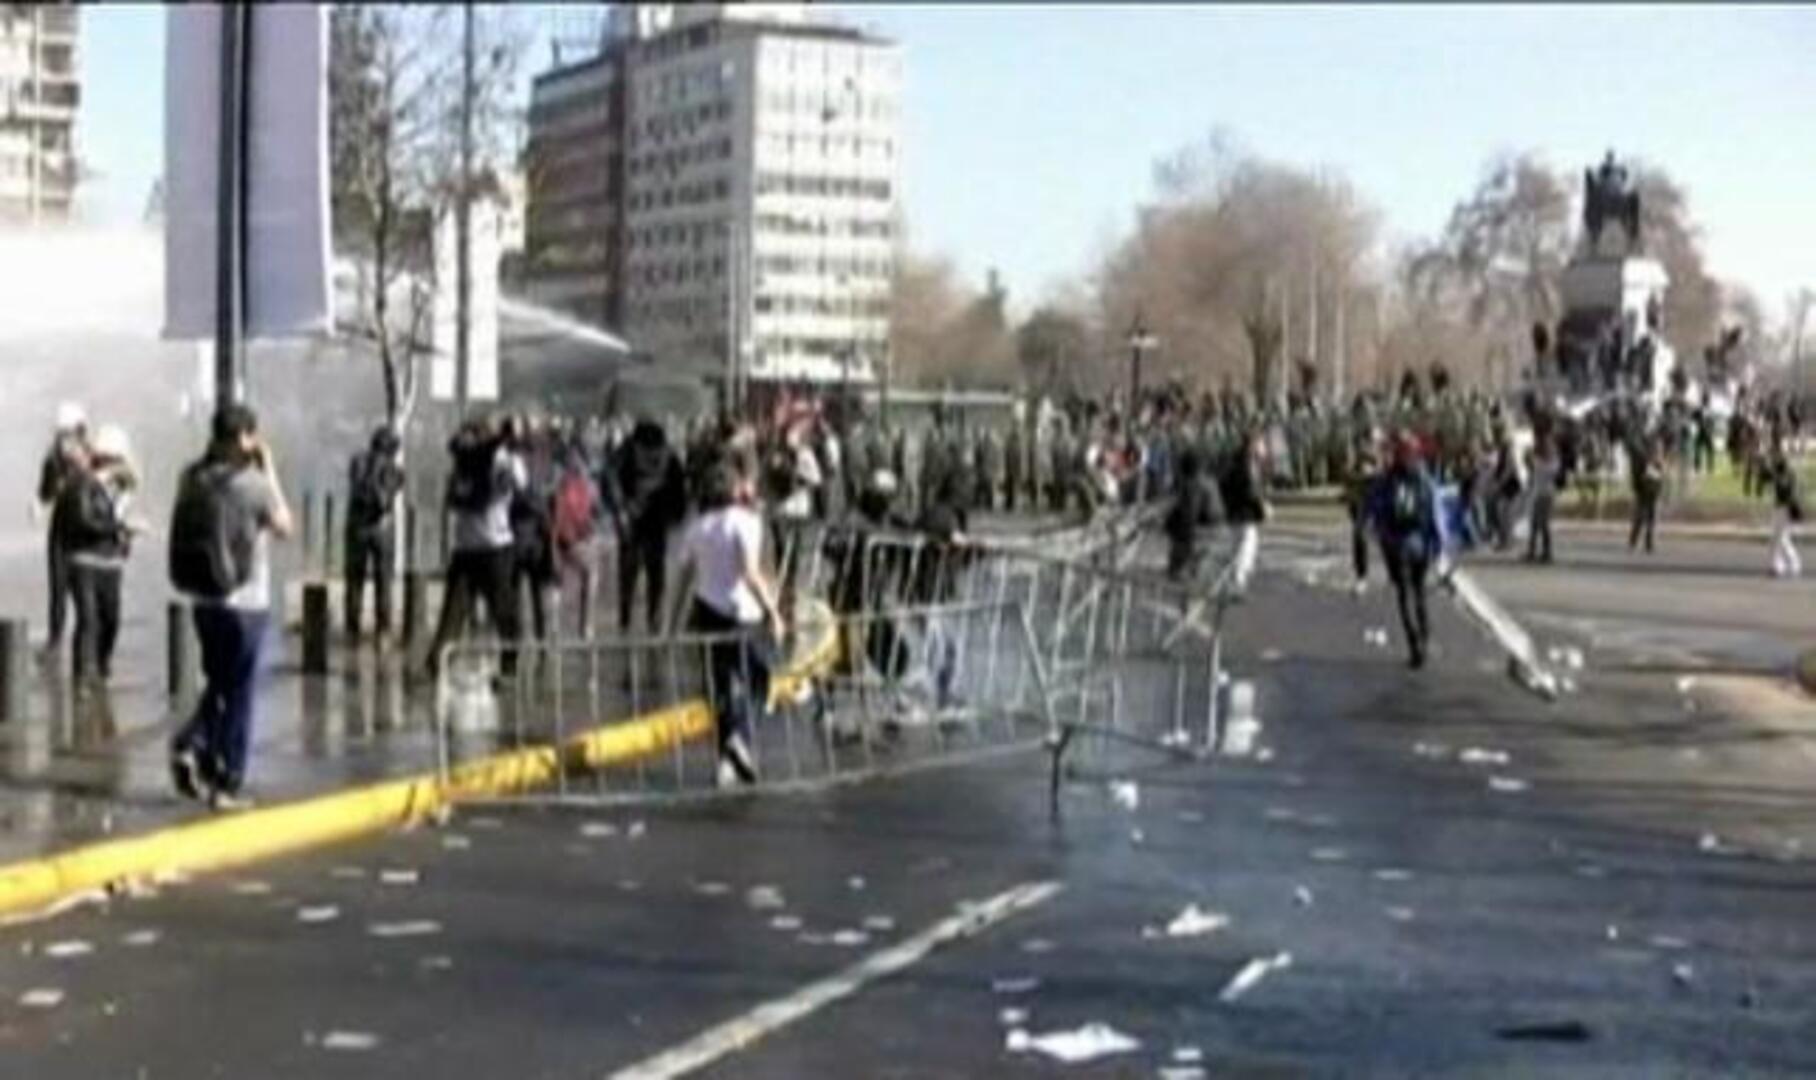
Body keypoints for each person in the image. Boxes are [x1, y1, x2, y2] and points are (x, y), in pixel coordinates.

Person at [168, 405, 295, 809]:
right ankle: (227, 778)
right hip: (245, 600)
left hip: (203, 597)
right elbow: (284, 526)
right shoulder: (253, 483)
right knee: (238, 691)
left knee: (220, 682)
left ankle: (201, 756)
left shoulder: (191, 476)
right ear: (244, 437)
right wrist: (268, 467)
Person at [669, 453, 785, 787]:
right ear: (734, 489)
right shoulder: (746, 522)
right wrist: (773, 611)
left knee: (720, 688)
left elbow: (683, 579)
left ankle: (727, 759)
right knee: (757, 679)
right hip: (741, 613)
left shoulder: (697, 528)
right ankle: (740, 740)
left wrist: (672, 624)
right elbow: (749, 572)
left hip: (707, 612)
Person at [426, 416, 525, 678]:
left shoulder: (462, 461)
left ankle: (437, 662)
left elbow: (451, 499)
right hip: (494, 546)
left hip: (468, 546)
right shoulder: (501, 459)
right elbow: (518, 486)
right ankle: (509, 664)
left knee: (454, 613)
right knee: (503, 612)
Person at [57, 425, 143, 689]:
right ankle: (82, 676)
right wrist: (120, 528)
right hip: (84, 561)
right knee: (88, 618)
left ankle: (102, 664)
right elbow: (84, 521)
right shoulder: (81, 482)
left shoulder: (120, 489)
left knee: (111, 618)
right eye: (110, 460)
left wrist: (126, 536)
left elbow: (118, 517)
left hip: (111, 562)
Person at [1365, 432, 1445, 670]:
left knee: (1405, 595)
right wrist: (1438, 545)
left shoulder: (1386, 480)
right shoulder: (1424, 479)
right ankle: (1424, 637)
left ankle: (1414, 644)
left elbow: (1374, 510)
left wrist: (1376, 532)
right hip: (1420, 544)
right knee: (1419, 593)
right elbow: (1435, 514)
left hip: (1396, 544)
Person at [609, 419, 687, 635]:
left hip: (634, 523)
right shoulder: (669, 456)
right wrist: (675, 517)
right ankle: (653, 622)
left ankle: (626, 624)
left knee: (629, 577)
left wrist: (620, 510)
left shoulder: (626, 451)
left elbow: (610, 479)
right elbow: (680, 490)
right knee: (655, 576)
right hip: (655, 524)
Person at [35, 402, 89, 663]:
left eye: (70, 433)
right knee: (58, 589)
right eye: (62, 434)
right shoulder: (52, 460)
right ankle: (55, 640)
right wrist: (50, 492)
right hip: (61, 532)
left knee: (85, 591)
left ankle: (88, 645)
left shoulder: (92, 457)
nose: (66, 440)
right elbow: (44, 494)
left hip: (86, 531)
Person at [343, 426, 405, 646]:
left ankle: (352, 630)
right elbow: (387, 499)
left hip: (357, 526)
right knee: (383, 580)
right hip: (381, 528)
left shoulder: (357, 461)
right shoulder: (394, 470)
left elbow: (355, 486)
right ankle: (383, 631)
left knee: (354, 580)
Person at [550, 439, 604, 638]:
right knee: (591, 574)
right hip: (579, 540)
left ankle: (554, 626)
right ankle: (587, 626)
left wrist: (553, 545)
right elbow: (596, 513)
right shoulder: (588, 484)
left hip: (560, 538)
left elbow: (554, 513)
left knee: (557, 582)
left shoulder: (558, 482)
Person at [1164, 446, 1225, 582]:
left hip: (1203, 529)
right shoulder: (1210, 481)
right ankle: (1183, 567)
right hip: (1216, 528)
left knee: (1179, 536)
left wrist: (1170, 526)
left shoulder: (1193, 484)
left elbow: (1190, 514)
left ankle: (1179, 568)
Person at [1221, 429, 1269, 596]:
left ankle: (1234, 580)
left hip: (1234, 512)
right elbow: (1251, 490)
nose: (1263, 447)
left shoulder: (1236, 460)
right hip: (1244, 513)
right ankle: (1237, 582)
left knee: (1237, 547)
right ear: (1252, 445)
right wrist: (1262, 508)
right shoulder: (1247, 464)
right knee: (1246, 548)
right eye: (1260, 443)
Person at [1767, 449, 1804, 578]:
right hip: (1779, 508)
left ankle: (1787, 565)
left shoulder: (1786, 475)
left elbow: (1785, 489)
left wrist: (1775, 477)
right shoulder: (1782, 474)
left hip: (1785, 508)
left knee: (1780, 537)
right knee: (1778, 537)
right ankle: (1779, 565)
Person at [1525, 436, 1560, 564]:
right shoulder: (1538, 460)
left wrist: (1534, 460)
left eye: (1547, 448)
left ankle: (1547, 552)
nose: (1545, 450)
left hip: (1547, 495)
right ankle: (1531, 550)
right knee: (1534, 524)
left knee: (1544, 524)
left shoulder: (1553, 462)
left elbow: (1549, 471)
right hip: (1537, 494)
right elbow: (1530, 465)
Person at [1628, 434, 1663, 555]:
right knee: (1642, 516)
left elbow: (1659, 476)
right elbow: (1640, 476)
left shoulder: (1655, 461)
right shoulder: (1644, 460)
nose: (1658, 450)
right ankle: (1636, 541)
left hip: (1651, 491)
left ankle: (1647, 542)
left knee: (1649, 517)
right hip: (1645, 490)